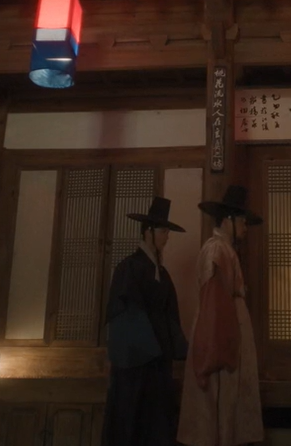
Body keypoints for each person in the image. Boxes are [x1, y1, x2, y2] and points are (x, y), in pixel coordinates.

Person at [178, 185, 264, 446]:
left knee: (226, 411)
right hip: (220, 335)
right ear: (228, 220)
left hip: (227, 331)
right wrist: (216, 355)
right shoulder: (217, 251)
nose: (245, 228)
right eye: (242, 222)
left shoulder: (224, 249)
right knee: (219, 408)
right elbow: (214, 306)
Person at [102, 197, 189, 446]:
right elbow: (123, 316)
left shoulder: (162, 274)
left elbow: (170, 315)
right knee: (132, 421)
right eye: (163, 231)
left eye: (167, 232)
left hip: (159, 364)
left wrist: (180, 349)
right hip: (135, 363)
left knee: (158, 424)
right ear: (148, 231)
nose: (166, 237)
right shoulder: (128, 268)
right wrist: (148, 346)